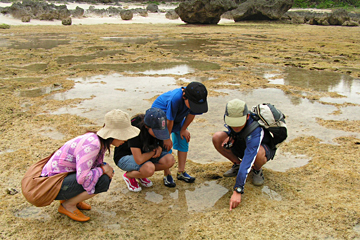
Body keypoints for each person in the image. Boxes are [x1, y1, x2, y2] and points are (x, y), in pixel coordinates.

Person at [40, 109, 140, 222]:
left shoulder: (96, 139)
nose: (126, 139)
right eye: (124, 135)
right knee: (103, 180)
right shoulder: (93, 145)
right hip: (50, 185)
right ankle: (68, 205)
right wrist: (103, 169)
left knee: (102, 174)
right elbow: (82, 177)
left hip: (59, 179)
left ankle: (72, 199)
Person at [212, 99, 277, 210]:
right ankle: (237, 164)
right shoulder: (231, 123)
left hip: (260, 148)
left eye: (239, 123)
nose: (235, 127)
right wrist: (231, 136)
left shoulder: (256, 129)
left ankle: (257, 169)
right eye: (232, 123)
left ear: (247, 116)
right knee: (217, 137)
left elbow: (248, 158)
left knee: (257, 154)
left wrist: (238, 189)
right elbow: (232, 130)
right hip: (243, 142)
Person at [152, 82, 208, 186]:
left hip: (176, 118)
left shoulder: (195, 96)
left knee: (184, 138)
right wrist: (166, 138)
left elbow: (192, 114)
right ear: (184, 97)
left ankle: (181, 172)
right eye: (193, 105)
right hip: (161, 120)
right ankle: (167, 174)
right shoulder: (175, 99)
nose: (194, 107)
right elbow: (169, 120)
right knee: (166, 146)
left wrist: (183, 129)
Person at [114, 107, 176, 192]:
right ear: (146, 126)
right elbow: (139, 160)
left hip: (145, 152)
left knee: (169, 160)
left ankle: (140, 174)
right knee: (149, 169)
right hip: (125, 156)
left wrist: (160, 148)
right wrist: (154, 151)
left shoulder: (157, 123)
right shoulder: (135, 129)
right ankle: (130, 176)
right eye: (157, 132)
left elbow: (161, 141)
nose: (159, 135)